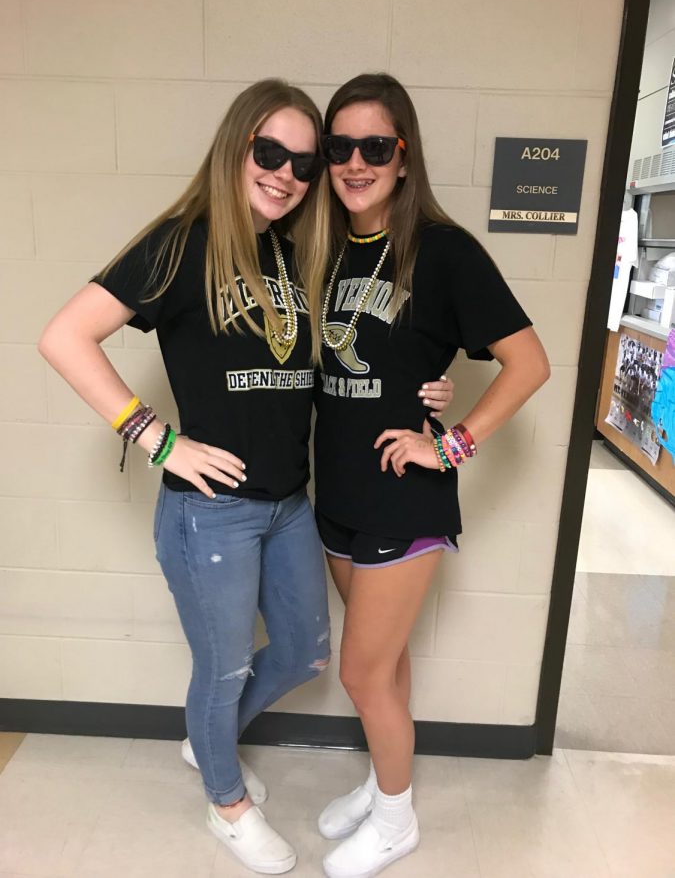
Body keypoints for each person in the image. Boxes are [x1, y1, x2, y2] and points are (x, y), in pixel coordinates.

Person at [38, 78, 452, 876]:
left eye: (304, 161)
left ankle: (207, 739)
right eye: (270, 153)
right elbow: (65, 336)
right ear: (236, 148)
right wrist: (157, 440)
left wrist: (431, 391)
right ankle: (226, 802)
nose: (286, 174)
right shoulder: (179, 240)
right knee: (223, 669)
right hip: (210, 514)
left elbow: (365, 341)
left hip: (288, 503)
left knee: (301, 652)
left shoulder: (293, 250)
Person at [310, 73, 551, 878]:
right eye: (339, 147)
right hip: (338, 494)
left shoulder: (444, 251)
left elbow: (528, 362)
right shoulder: (324, 245)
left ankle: (396, 823)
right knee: (386, 664)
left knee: (359, 671)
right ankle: (387, 788)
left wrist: (450, 444)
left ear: (403, 156)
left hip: (401, 500)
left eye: (372, 147)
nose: (353, 163)